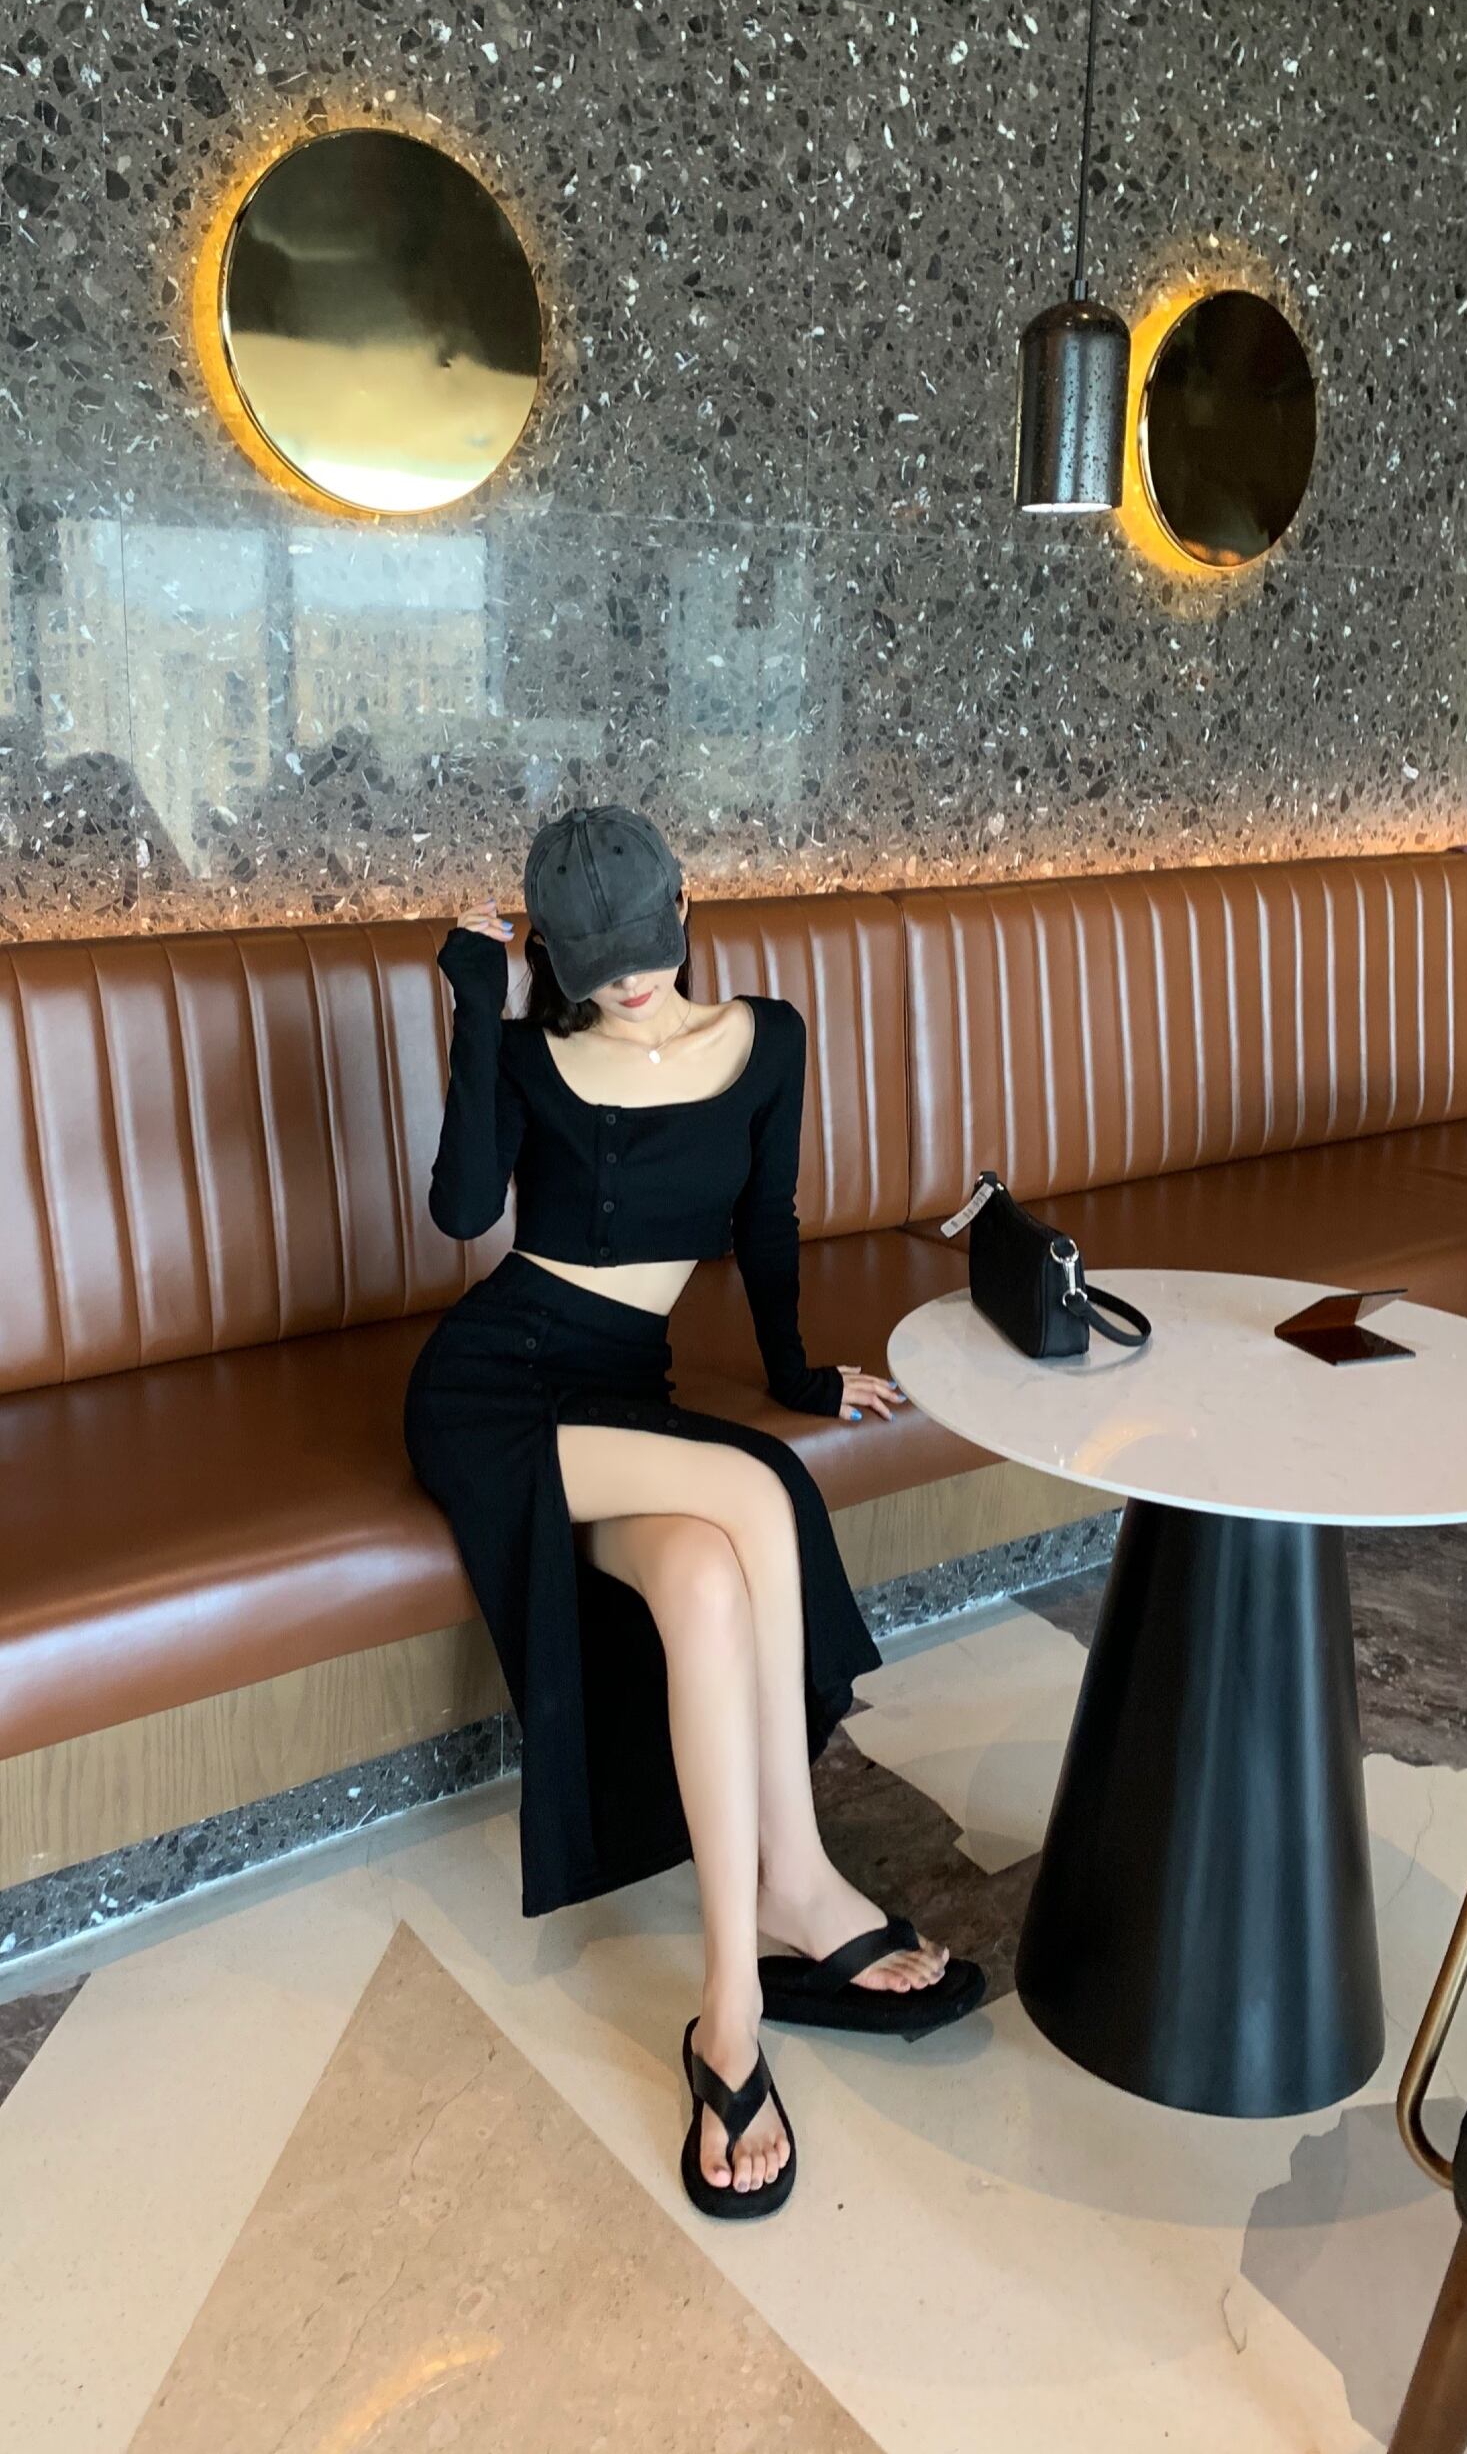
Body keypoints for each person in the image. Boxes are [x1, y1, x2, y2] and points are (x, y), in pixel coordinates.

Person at [404, 803, 985, 2220]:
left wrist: (798, 1372)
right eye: (591, 961)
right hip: (497, 1397)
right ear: (554, 956)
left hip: (623, 1398)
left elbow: (765, 1227)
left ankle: (752, 1954)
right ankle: (782, 1915)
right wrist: (473, 1006)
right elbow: (465, 1212)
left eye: (643, 946)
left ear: (683, 908)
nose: (626, 979)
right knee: (755, 1484)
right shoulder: (532, 1052)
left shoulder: (768, 1041)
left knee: (712, 1579)